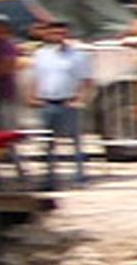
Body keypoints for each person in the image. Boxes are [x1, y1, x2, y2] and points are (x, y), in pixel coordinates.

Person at [24, 20, 95, 187]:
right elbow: (36, 76)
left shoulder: (78, 55)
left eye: (62, 33)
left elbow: (87, 80)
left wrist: (80, 99)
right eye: (54, 33)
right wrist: (32, 96)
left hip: (68, 101)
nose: (58, 36)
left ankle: (79, 176)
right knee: (47, 142)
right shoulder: (41, 54)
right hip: (46, 103)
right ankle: (48, 176)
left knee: (74, 141)